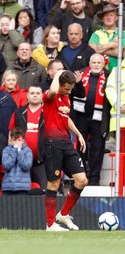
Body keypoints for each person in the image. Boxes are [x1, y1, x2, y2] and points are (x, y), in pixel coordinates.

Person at [43, 70, 88, 231]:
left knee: (82, 180)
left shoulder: (65, 98)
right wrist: (58, 74)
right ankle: (50, 225)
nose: (69, 92)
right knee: (53, 184)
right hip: (52, 144)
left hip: (67, 144)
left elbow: (65, 116)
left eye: (71, 89)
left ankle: (63, 214)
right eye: (67, 88)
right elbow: (54, 90)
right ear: (59, 84)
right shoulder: (50, 95)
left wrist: (78, 133)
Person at [72, 54, 109, 186]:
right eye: (94, 62)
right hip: (81, 117)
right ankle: (81, 177)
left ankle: (94, 179)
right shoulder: (80, 74)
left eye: (99, 62)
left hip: (99, 119)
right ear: (89, 63)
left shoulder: (109, 76)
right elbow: (73, 93)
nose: (96, 65)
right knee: (81, 148)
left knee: (97, 149)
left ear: (103, 64)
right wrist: (78, 83)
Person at [8, 84, 47, 189]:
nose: (35, 96)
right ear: (27, 96)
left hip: (42, 161)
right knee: (22, 193)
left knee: (45, 193)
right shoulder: (18, 112)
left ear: (42, 96)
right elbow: (11, 134)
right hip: (21, 161)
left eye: (38, 93)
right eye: (32, 93)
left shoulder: (48, 112)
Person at [2, 127, 33, 195]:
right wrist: (14, 152)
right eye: (14, 140)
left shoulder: (27, 150)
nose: (17, 142)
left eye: (19, 140)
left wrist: (19, 152)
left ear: (23, 141)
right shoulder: (6, 150)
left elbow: (26, 166)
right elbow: (6, 166)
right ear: (11, 141)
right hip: (8, 187)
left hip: (23, 187)